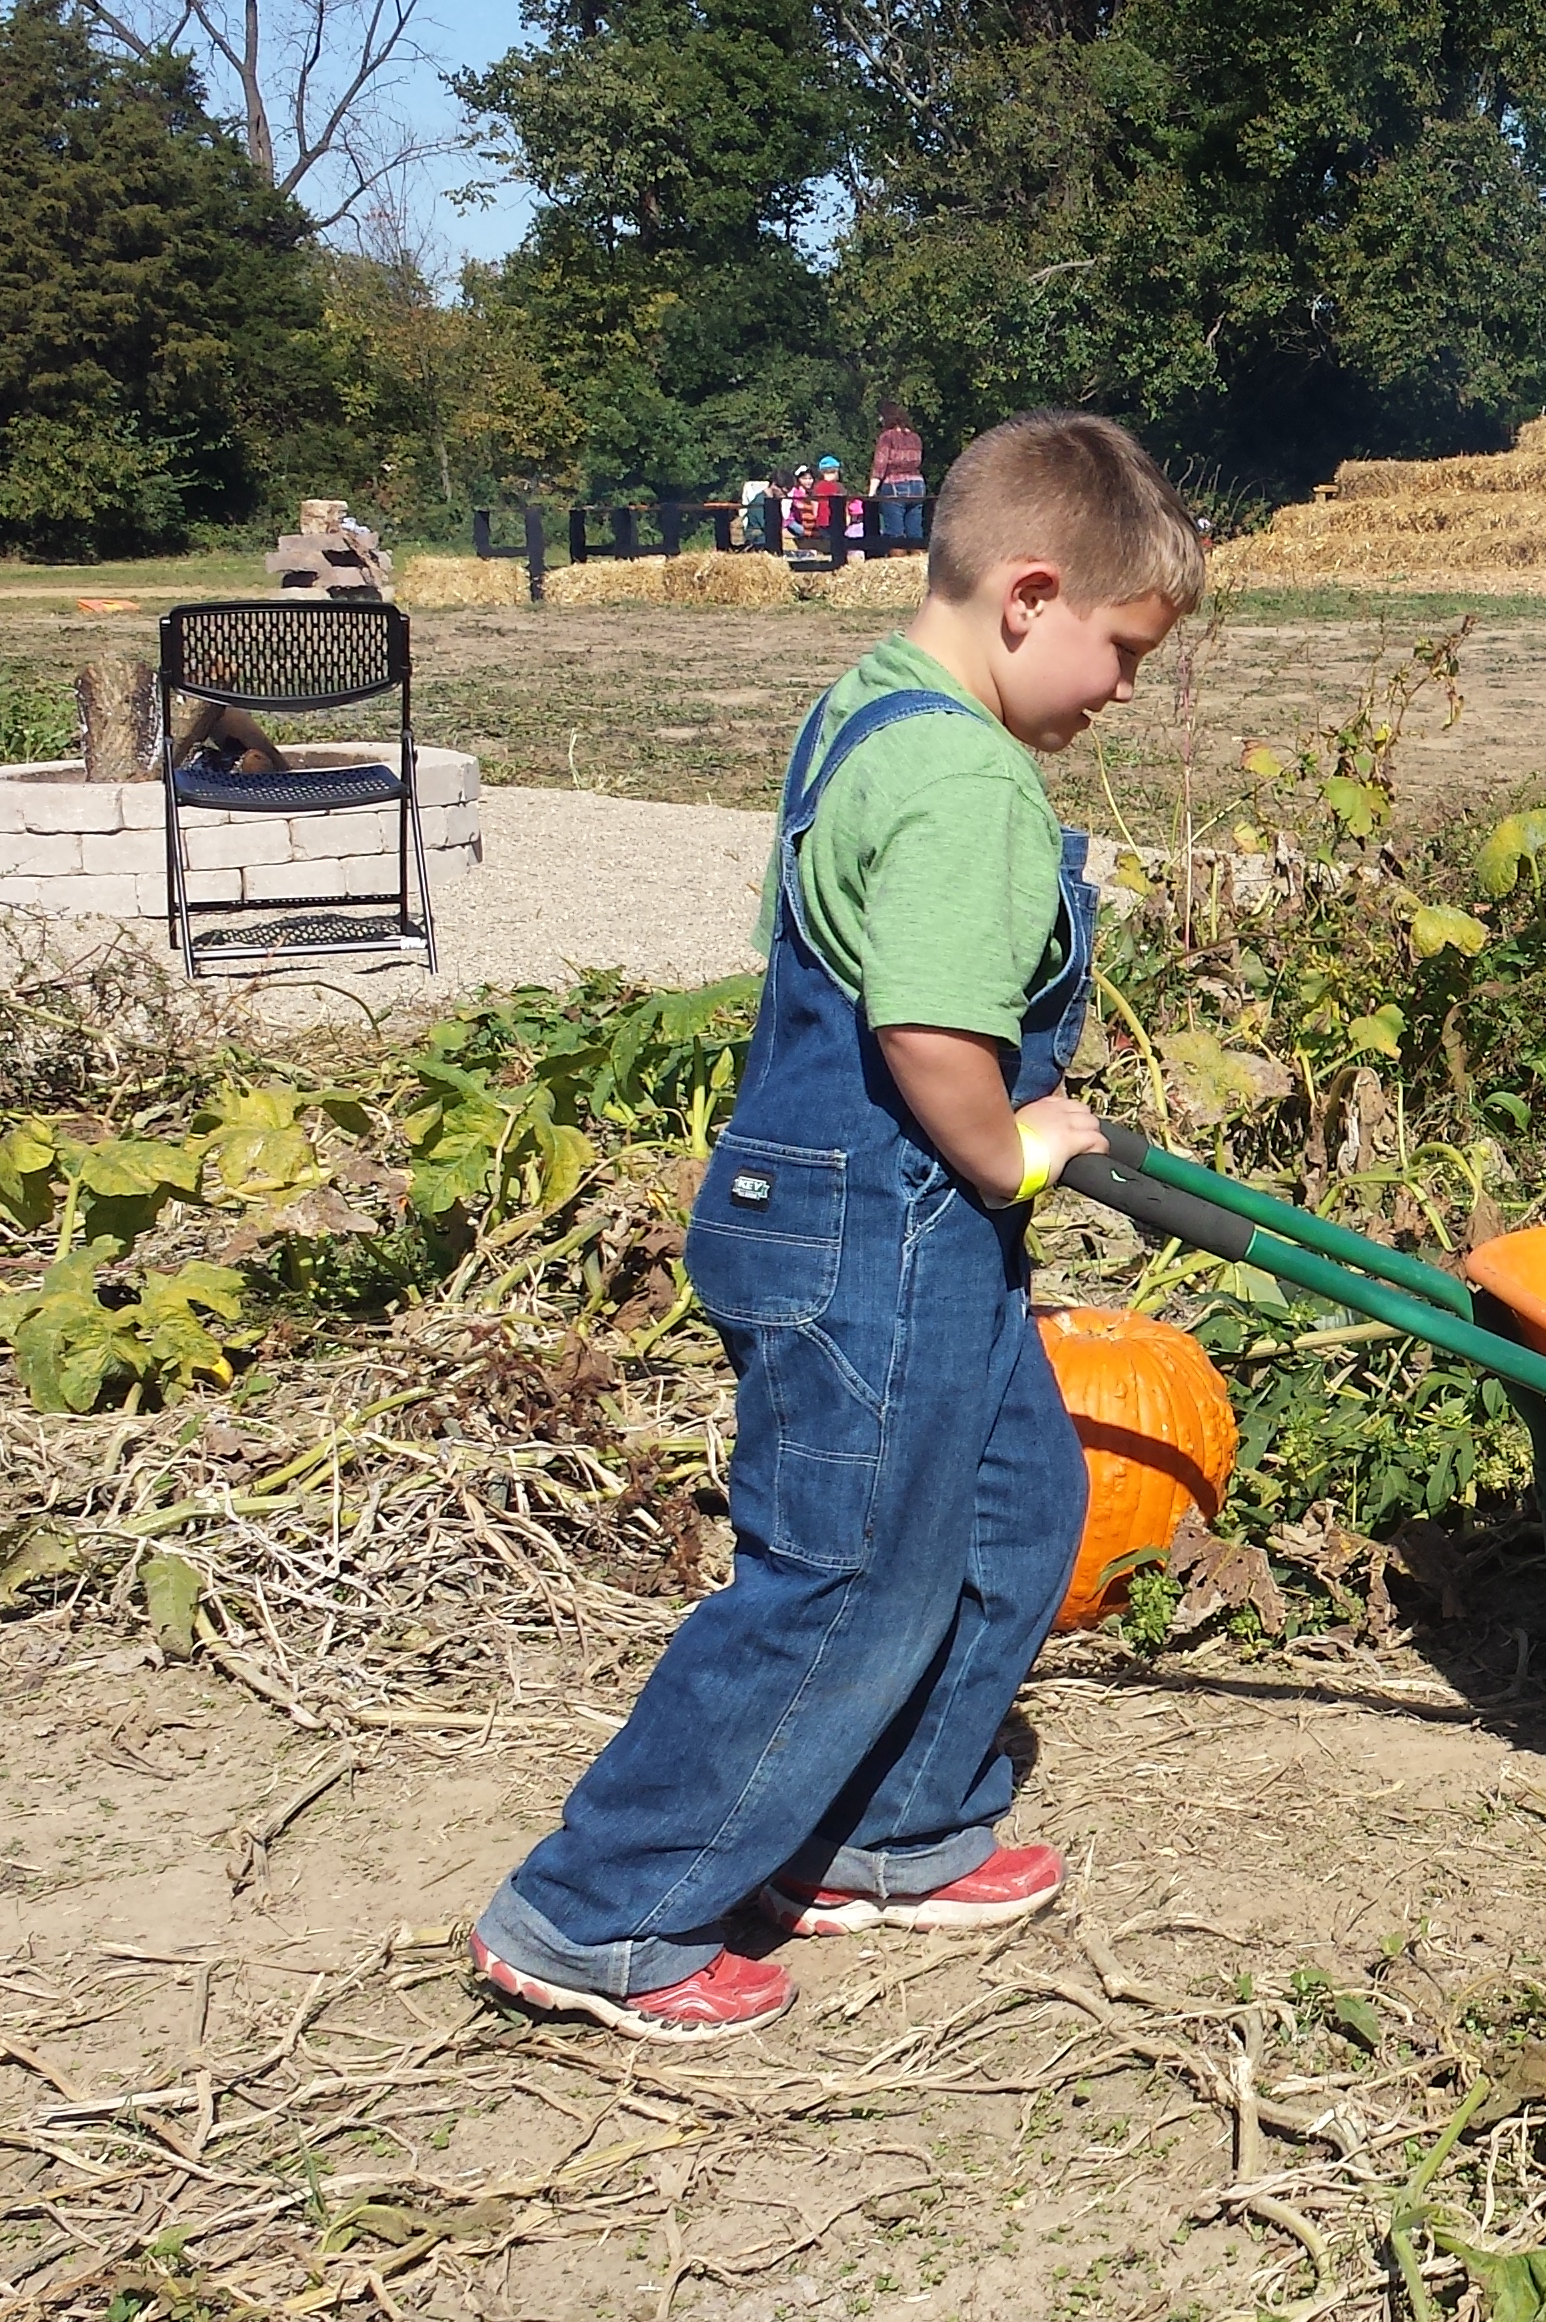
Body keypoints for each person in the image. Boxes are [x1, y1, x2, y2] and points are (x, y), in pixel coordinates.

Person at [470, 411, 1208, 2040]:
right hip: (874, 1221)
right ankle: (595, 1907)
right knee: (843, 1578)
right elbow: (935, 1037)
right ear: (1030, 596)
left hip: (879, 1218)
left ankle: (891, 1825)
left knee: (1018, 1511)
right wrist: (1012, 1144)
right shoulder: (961, 776)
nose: (1122, 692)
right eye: (1122, 651)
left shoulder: (870, 705)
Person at [873, 404, 929, 550]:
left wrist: (871, 492)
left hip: (895, 485)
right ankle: (918, 564)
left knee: (895, 534)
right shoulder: (915, 437)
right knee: (915, 533)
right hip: (917, 485)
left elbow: (880, 465)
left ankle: (897, 563)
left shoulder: (887, 437)